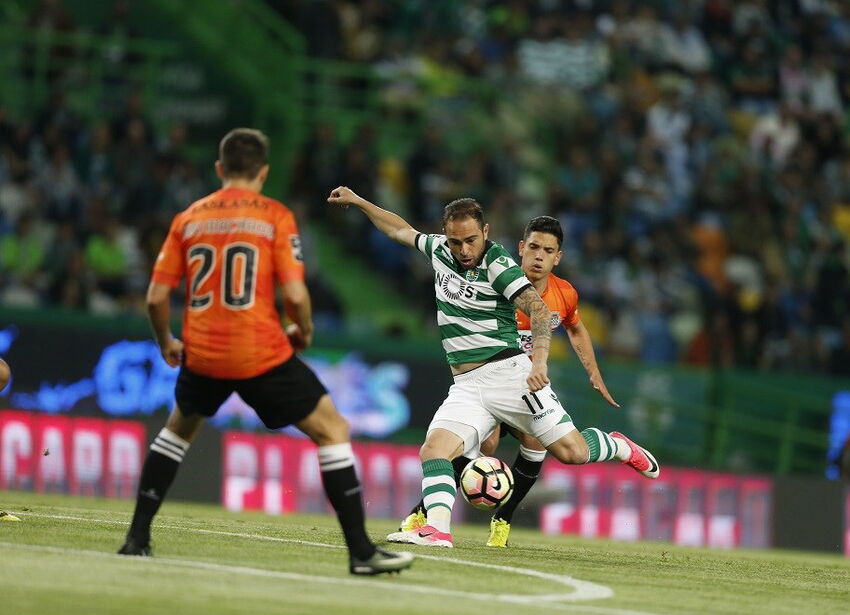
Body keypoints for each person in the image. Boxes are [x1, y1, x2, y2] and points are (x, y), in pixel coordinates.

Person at [118, 129, 414, 576]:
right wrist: (304, 330)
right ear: (264, 171)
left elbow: (156, 299)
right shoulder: (275, 216)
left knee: (177, 431)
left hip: (203, 352)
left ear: (220, 169)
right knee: (332, 429)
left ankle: (136, 538)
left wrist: (167, 343)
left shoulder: (189, 218)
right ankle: (360, 553)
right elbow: (295, 293)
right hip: (259, 351)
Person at [327, 187, 659, 549]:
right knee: (434, 451)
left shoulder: (498, 265)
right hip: (467, 386)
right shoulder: (440, 250)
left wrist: (541, 363)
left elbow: (538, 310)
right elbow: (399, 230)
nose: (464, 251)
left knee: (573, 453)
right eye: (456, 242)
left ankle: (618, 446)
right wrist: (359, 202)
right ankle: (436, 529)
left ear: (486, 232)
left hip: (510, 377)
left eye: (471, 240)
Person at [397, 215, 623, 547]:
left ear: (557, 257)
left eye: (548, 250)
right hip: (485, 379)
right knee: (478, 447)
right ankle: (430, 518)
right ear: (521, 248)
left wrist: (592, 372)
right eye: (533, 247)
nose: (539, 256)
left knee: (546, 446)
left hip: (525, 381)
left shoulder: (564, 294)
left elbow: (575, 327)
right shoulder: (501, 281)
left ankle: (503, 516)